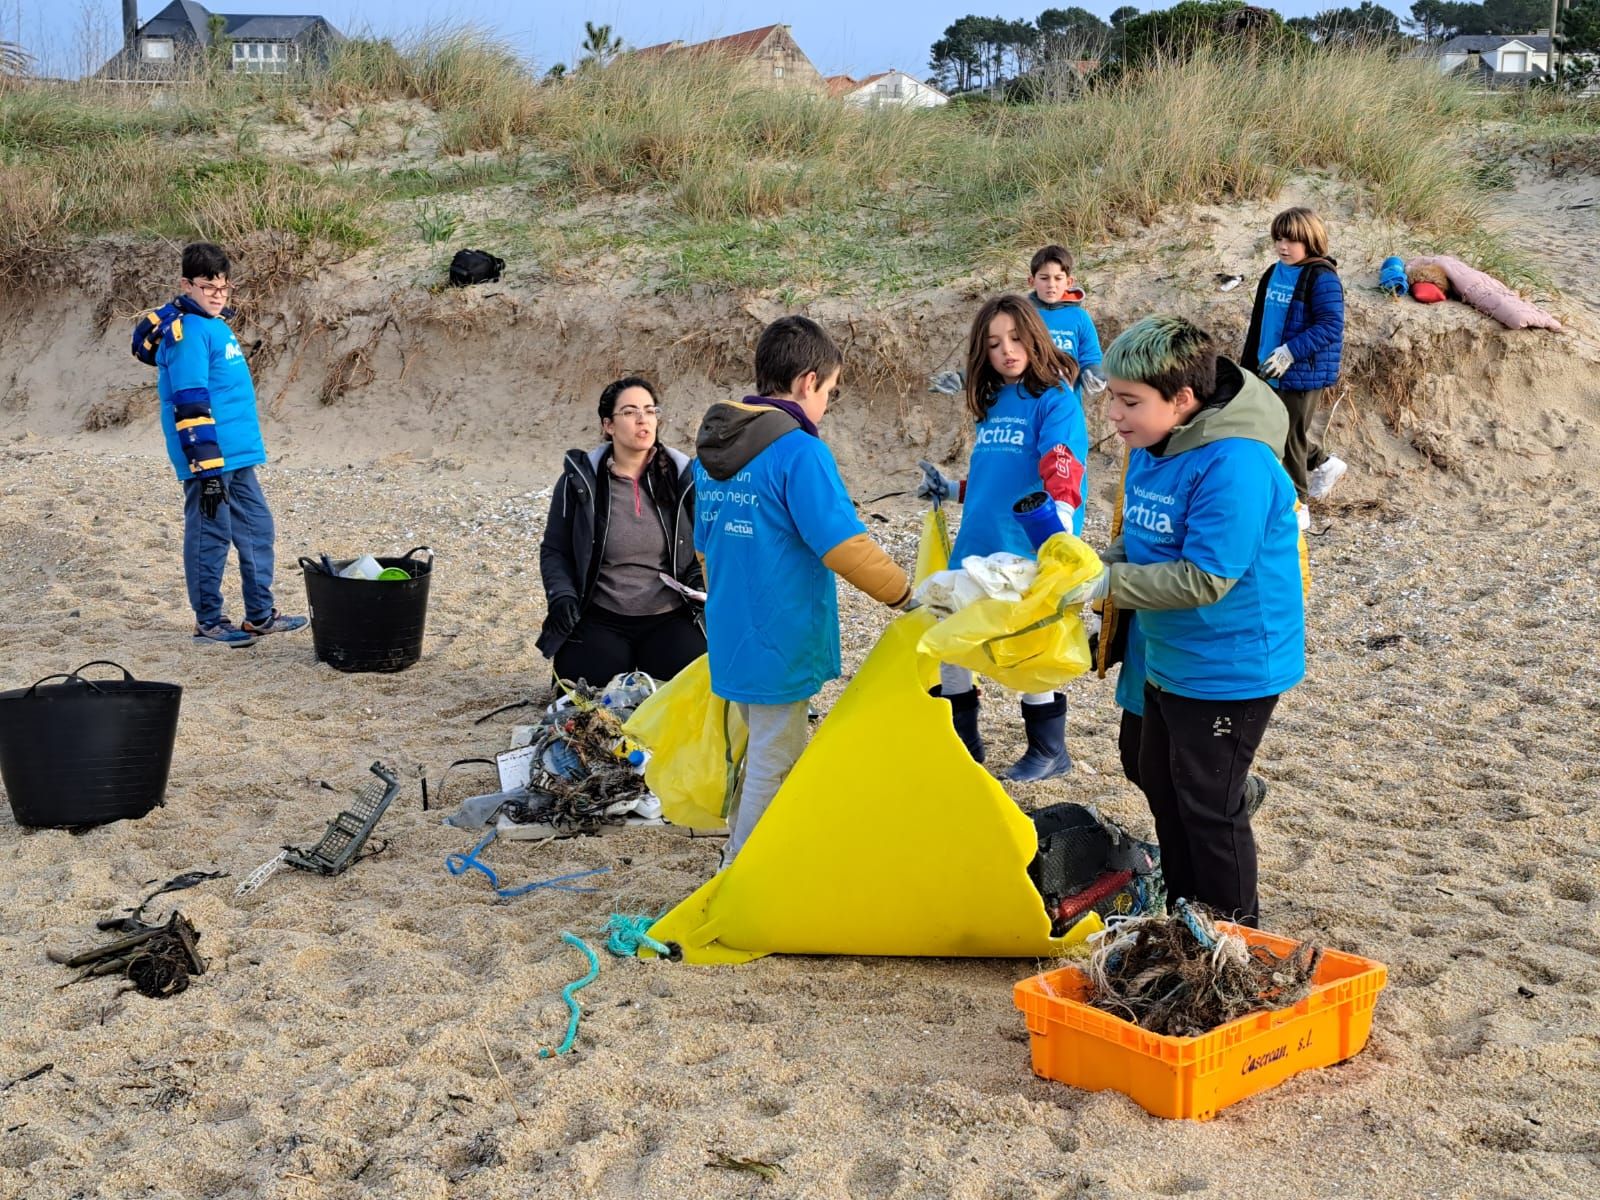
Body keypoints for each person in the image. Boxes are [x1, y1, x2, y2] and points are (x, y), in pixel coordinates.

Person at [1068, 315, 1304, 927]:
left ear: (1183, 399)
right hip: (1167, 651)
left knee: (1206, 804)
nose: (1113, 417)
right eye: (1112, 399)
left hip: (1231, 661)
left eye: (1129, 402)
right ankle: (1185, 916)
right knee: (1157, 779)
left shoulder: (1236, 464)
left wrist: (1107, 582)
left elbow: (1206, 579)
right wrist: (1091, 568)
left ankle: (1233, 936)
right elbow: (1139, 540)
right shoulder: (1154, 443)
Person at [694, 316, 912, 863]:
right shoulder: (798, 451)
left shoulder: (715, 451)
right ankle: (742, 869)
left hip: (730, 631)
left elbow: (703, 547)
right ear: (807, 383)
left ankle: (743, 851)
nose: (826, 406)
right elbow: (843, 545)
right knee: (776, 754)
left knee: (759, 745)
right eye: (830, 393)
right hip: (779, 634)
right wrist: (905, 595)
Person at [915, 294, 1089, 782]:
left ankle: (1049, 749)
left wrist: (1061, 520)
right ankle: (964, 742)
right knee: (953, 639)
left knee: (1025, 643)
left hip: (1023, 543)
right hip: (976, 540)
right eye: (994, 344)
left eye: (1016, 338)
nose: (1007, 351)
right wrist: (950, 490)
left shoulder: (1055, 400)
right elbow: (995, 477)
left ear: (1035, 336)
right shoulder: (991, 402)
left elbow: (1059, 459)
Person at [153, 242, 306, 647]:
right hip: (210, 459)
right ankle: (209, 621)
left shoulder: (218, 325)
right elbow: (189, 399)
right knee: (210, 534)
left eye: (223, 288)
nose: (217, 295)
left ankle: (260, 615)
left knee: (258, 527)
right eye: (208, 287)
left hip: (238, 456)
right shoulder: (186, 334)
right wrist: (205, 467)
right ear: (187, 285)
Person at [536, 376, 706, 687]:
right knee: (579, 696)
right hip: (601, 617)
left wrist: (697, 582)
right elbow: (554, 550)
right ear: (608, 425)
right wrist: (561, 596)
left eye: (650, 410)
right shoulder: (581, 481)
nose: (643, 418)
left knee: (697, 691)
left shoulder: (686, 478)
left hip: (669, 617)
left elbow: (706, 547)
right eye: (629, 412)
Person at [1241, 206, 1347, 508]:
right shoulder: (1272, 272)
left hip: (1301, 371)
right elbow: (1260, 324)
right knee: (1266, 426)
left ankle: (1296, 506)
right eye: (1278, 239)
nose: (1283, 247)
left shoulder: (1322, 278)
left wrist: (1290, 352)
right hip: (1266, 367)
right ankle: (1323, 463)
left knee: (1287, 436)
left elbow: (1331, 326)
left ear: (1310, 241)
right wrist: (1248, 365)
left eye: (1291, 240)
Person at [1028, 243, 1106, 396]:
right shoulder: (1021, 315)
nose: (1051, 285)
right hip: (1028, 404)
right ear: (1031, 281)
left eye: (1058, 278)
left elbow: (1090, 357)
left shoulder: (1080, 317)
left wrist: (1094, 374)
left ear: (1069, 282)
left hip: (1067, 405)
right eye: (1044, 278)